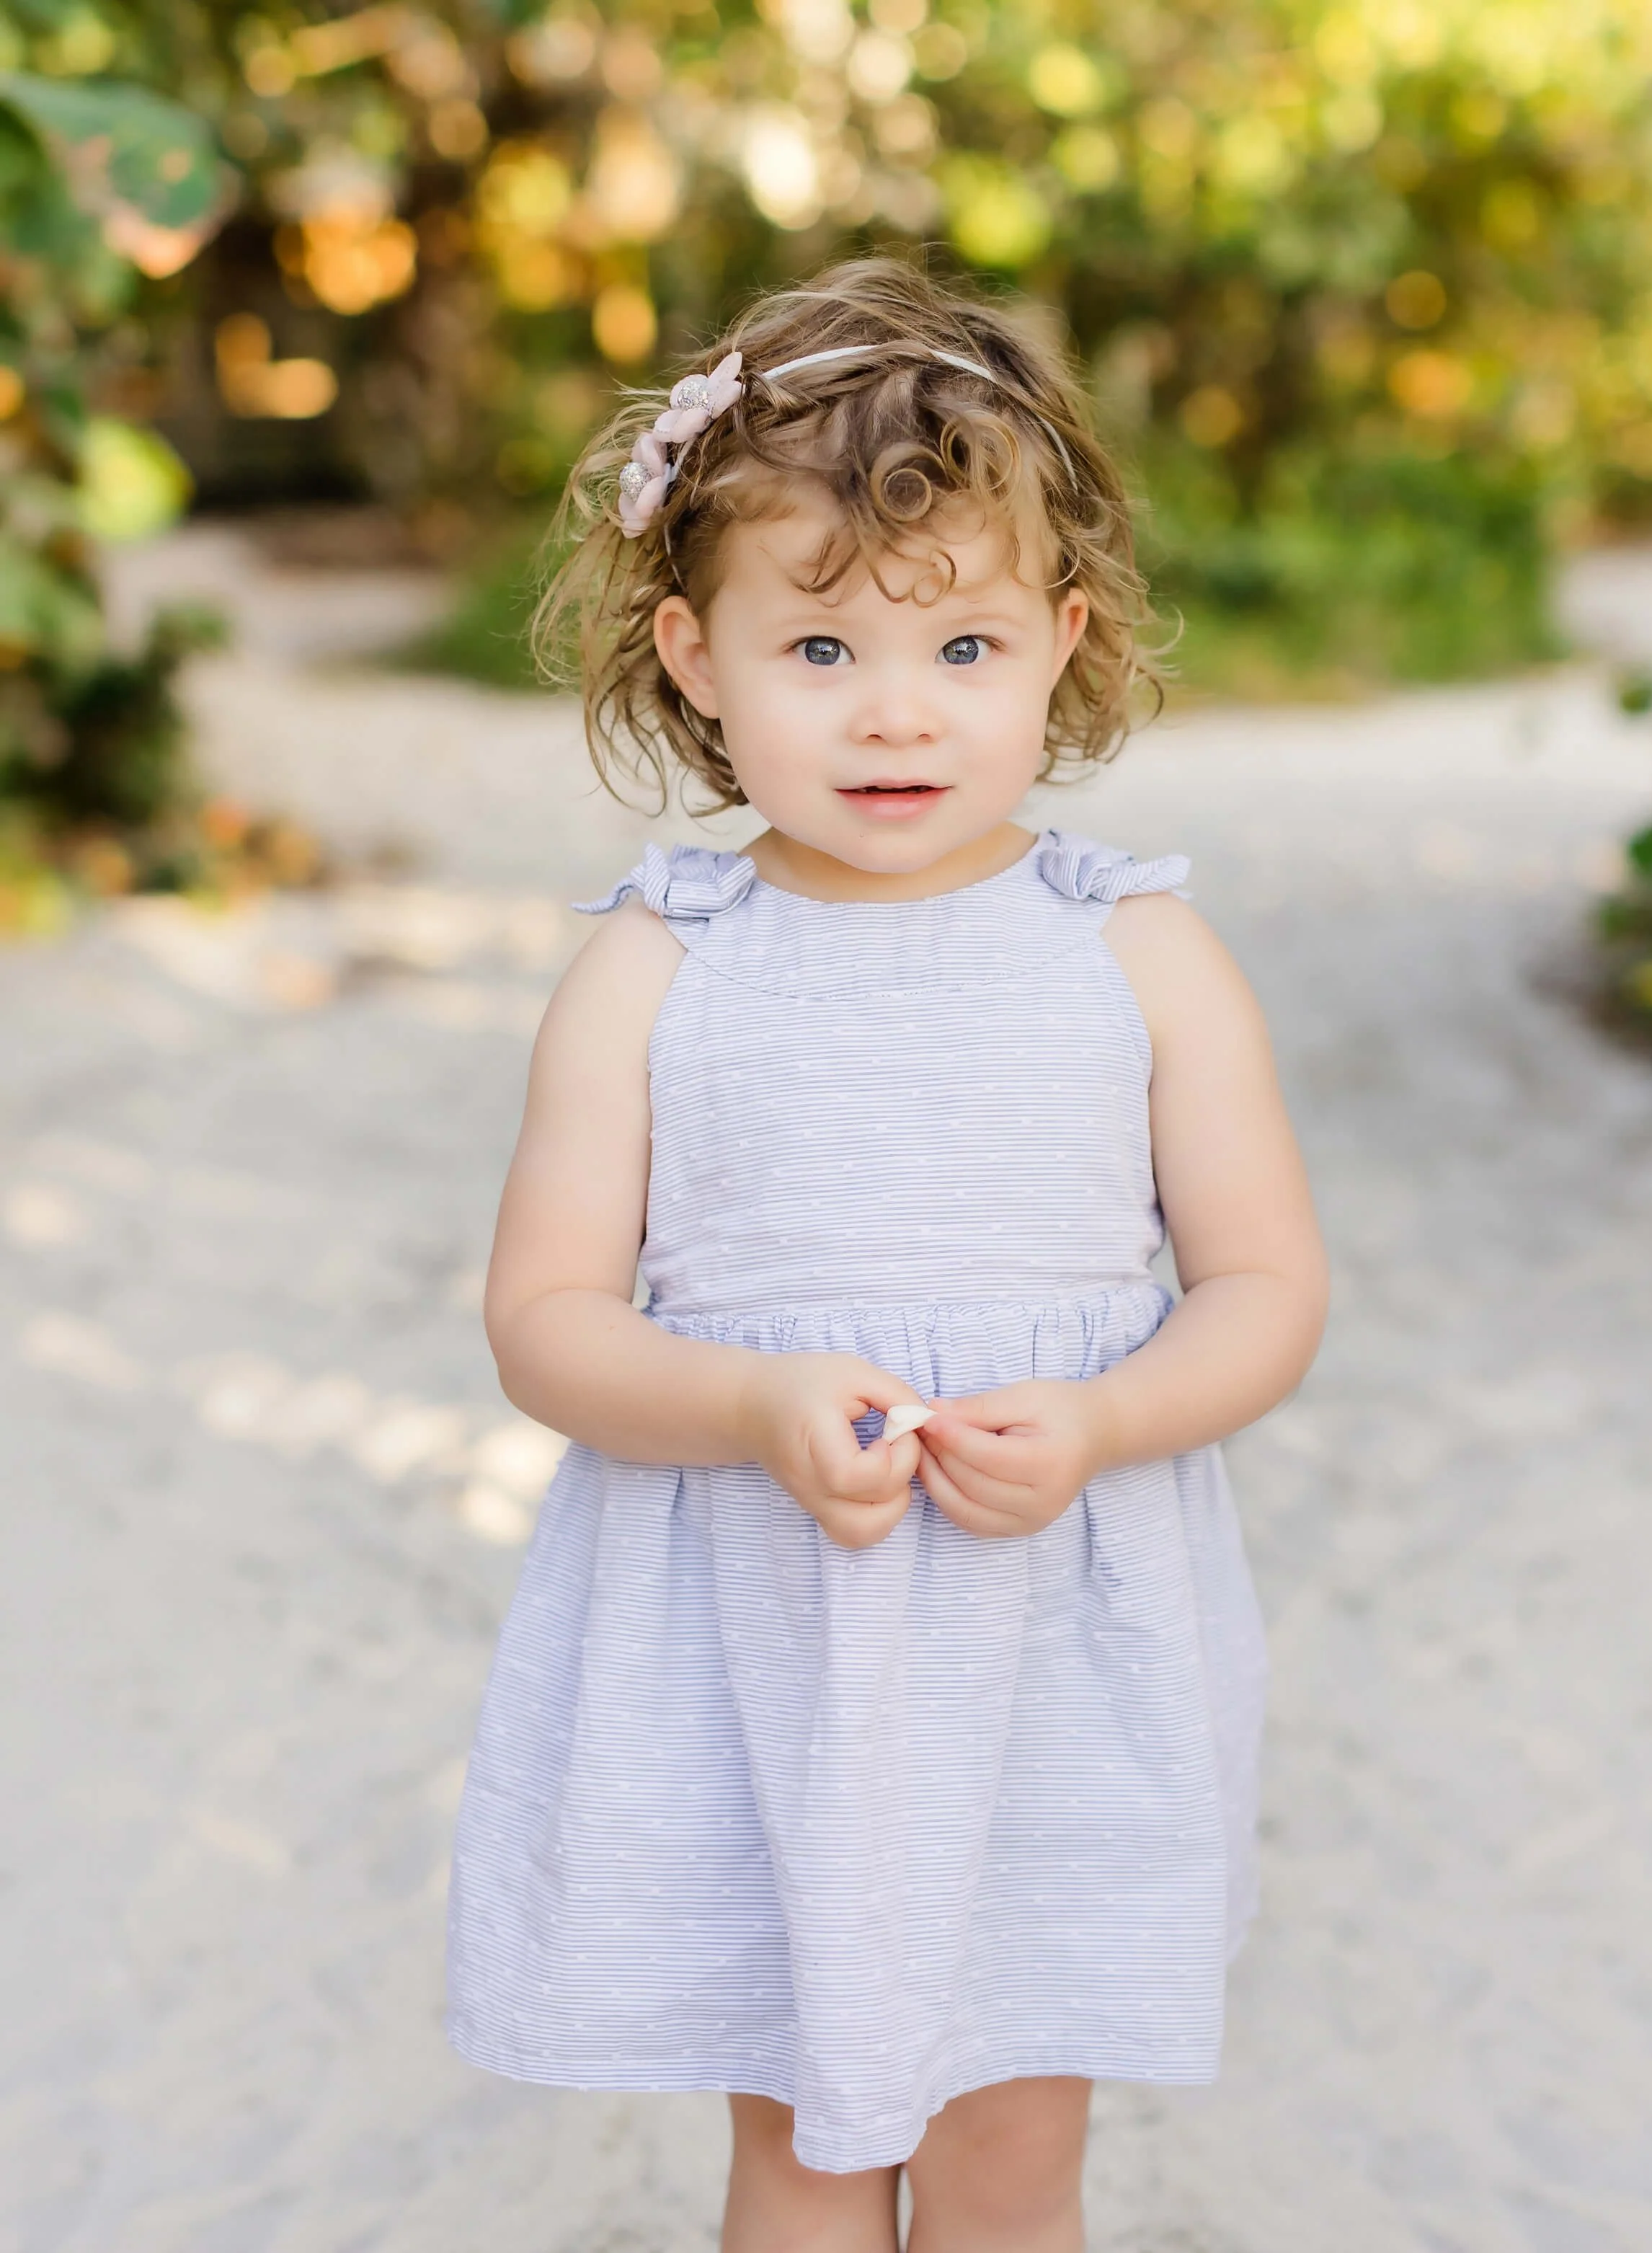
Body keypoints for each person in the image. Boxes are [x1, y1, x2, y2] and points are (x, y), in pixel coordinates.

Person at [446, 256, 1328, 2252]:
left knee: (1014, 2154)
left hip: (1050, 1652)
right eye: (819, 648)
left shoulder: (1137, 945)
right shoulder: (657, 959)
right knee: (810, 2149)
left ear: (1059, 642)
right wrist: (747, 1398)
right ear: (691, 653)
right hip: (773, 1645)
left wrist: (1107, 1419)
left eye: (962, 644)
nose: (896, 711)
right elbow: (546, 1318)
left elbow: (1266, 1286)